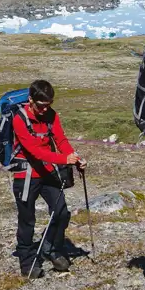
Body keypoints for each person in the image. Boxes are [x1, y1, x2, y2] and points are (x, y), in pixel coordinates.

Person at [12, 79, 86, 279]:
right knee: (27, 219)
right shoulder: (19, 119)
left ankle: (51, 249)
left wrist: (75, 158)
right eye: (41, 106)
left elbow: (60, 140)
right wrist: (64, 159)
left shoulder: (51, 115)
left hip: (47, 171)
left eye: (49, 105)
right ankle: (27, 262)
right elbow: (34, 151)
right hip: (25, 174)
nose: (45, 110)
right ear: (31, 100)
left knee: (61, 212)